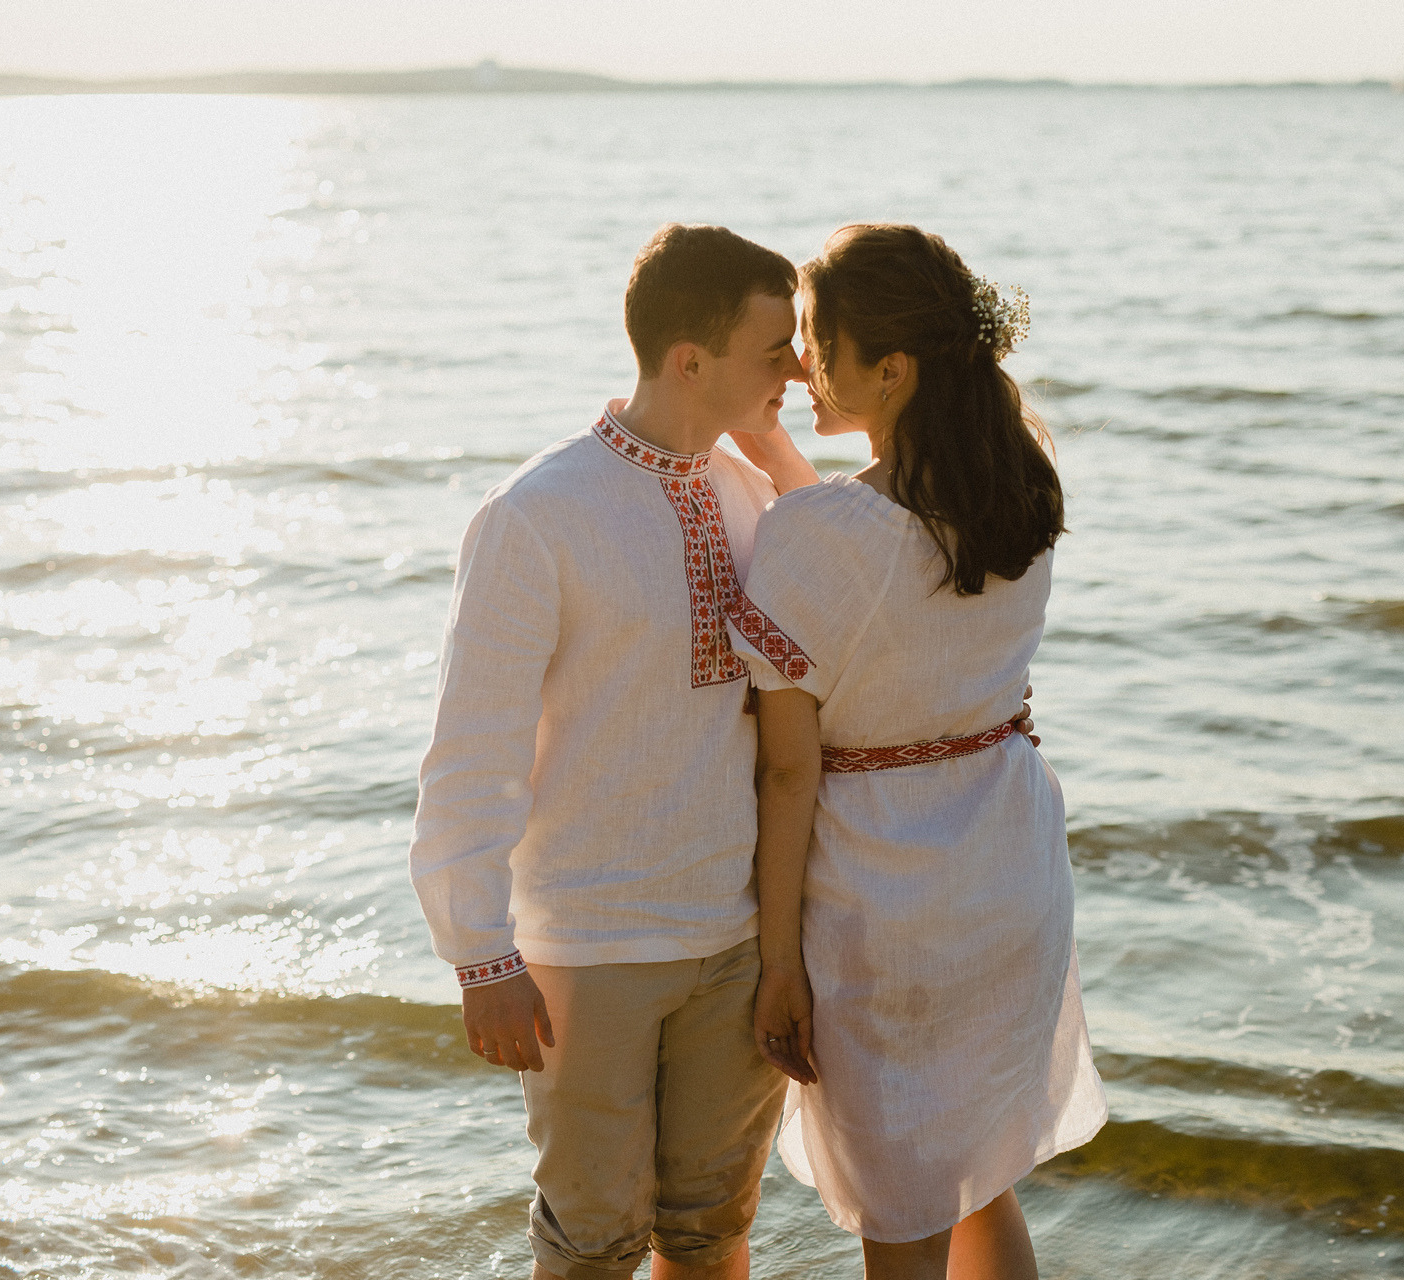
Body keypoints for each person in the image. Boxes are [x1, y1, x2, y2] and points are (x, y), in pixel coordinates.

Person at [408, 223, 828, 1280]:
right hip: (587, 949)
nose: (800, 367)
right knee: (592, 1240)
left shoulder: (752, 497)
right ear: (690, 360)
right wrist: (481, 951)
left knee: (709, 1228)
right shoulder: (536, 514)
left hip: (735, 939)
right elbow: (472, 749)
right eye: (775, 348)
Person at [734, 224, 1107, 1280]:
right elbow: (873, 561)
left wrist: (776, 966)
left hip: (887, 899)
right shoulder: (1015, 487)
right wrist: (776, 455)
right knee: (979, 1176)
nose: (802, 361)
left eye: (817, 340)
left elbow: (787, 769)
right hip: (1005, 865)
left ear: (890, 369)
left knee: (901, 1210)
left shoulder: (820, 536)